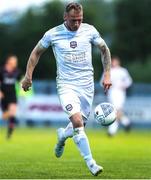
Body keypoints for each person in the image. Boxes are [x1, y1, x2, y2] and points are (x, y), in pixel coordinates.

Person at [22, 2, 112, 176]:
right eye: (73, 20)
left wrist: (107, 74)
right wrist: (28, 76)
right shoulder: (53, 34)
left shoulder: (90, 31)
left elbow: (104, 49)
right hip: (66, 85)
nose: (76, 24)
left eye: (79, 20)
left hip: (86, 86)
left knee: (78, 125)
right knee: (78, 123)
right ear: (65, 17)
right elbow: (36, 53)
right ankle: (91, 163)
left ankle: (62, 136)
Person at [101, 56, 132, 136]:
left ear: (118, 62)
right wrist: (106, 86)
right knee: (114, 111)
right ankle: (126, 122)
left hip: (120, 93)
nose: (114, 63)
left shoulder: (123, 71)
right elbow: (102, 82)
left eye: (115, 61)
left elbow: (129, 81)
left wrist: (123, 85)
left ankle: (112, 130)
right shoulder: (108, 71)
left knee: (116, 111)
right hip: (111, 93)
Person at [0, 54, 21, 139]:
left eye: (16, 61)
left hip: (12, 94)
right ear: (9, 61)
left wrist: (23, 85)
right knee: (5, 116)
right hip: (3, 95)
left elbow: (20, 81)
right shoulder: (1, 70)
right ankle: (11, 122)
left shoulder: (17, 71)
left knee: (12, 112)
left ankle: (10, 131)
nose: (15, 62)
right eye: (14, 61)